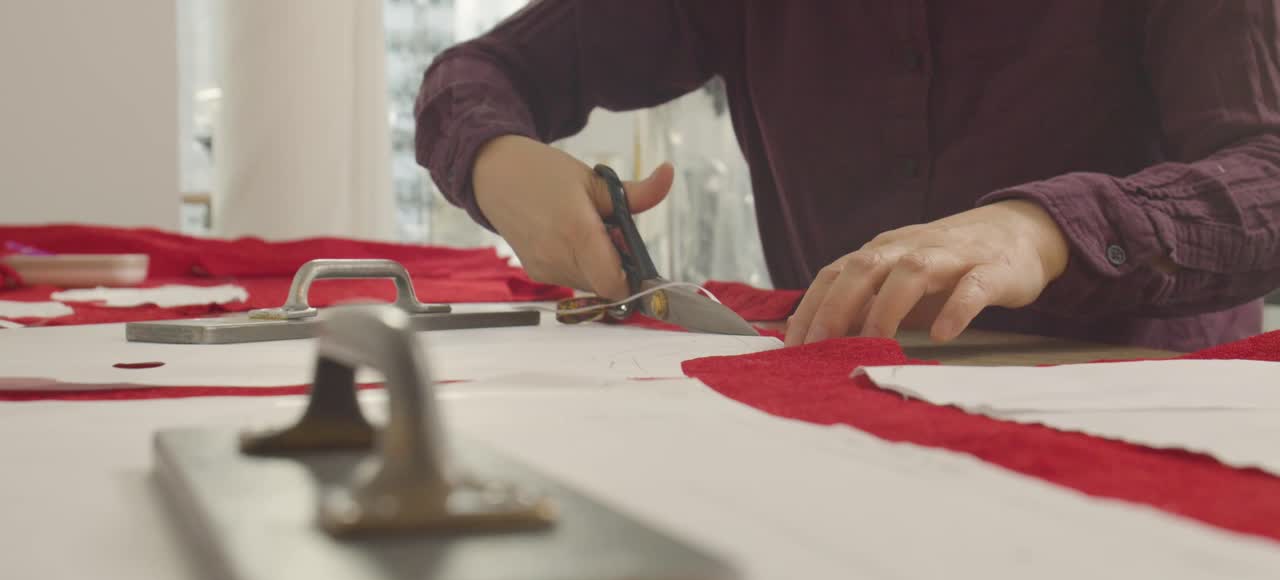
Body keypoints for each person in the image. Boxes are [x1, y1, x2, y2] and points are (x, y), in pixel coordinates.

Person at [414, 1, 1280, 352]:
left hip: (1145, 436)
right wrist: (500, 166)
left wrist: (1044, 231)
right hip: (840, 426)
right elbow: (482, 74)